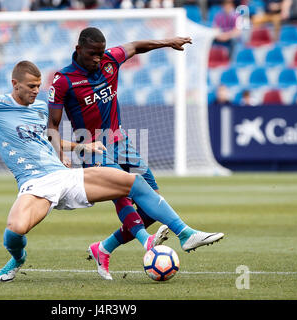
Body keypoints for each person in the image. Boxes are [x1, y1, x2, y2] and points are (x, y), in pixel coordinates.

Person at [0, 61, 224, 283]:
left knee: (132, 183)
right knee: (15, 230)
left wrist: (79, 147)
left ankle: (185, 232)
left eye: (39, 86)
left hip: (64, 176)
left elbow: (46, 140)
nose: (37, 91)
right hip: (35, 185)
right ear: (15, 84)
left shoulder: (41, 109)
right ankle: (18, 258)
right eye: (31, 87)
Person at [47, 27, 221, 280]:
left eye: (100, 53)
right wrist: (58, 154)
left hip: (121, 140)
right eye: (92, 54)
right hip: (91, 147)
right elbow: (52, 125)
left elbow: (136, 46)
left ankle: (103, 248)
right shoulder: (63, 80)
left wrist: (167, 41)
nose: (98, 59)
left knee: (152, 206)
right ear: (78, 50)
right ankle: (179, 235)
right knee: (124, 190)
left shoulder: (110, 59)